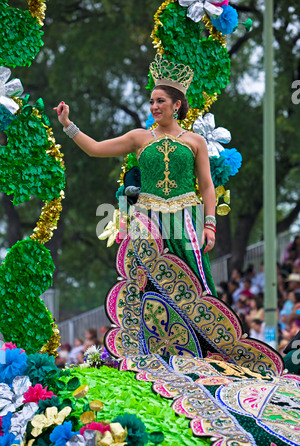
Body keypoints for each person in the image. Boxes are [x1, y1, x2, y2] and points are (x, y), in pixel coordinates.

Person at [53, 54, 281, 365]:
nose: (154, 107)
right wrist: (68, 125)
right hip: (148, 223)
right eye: (151, 101)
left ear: (177, 104)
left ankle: (207, 354)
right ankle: (151, 355)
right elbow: (95, 148)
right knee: (147, 285)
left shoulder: (195, 141)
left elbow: (207, 186)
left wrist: (210, 224)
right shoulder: (139, 137)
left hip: (185, 221)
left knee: (195, 284)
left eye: (160, 101)